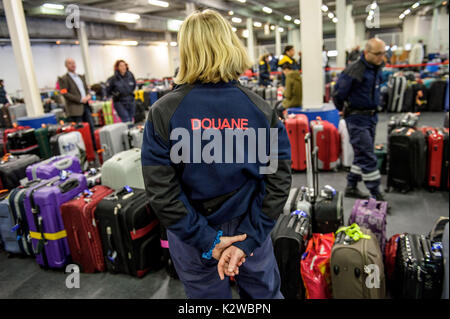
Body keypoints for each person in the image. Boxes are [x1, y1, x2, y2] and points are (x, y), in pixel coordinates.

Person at [141, 9, 291, 299]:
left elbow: (161, 190)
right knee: (265, 297)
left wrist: (209, 241)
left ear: (186, 50)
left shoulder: (164, 112)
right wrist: (248, 239)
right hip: (251, 225)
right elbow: (278, 180)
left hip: (190, 229)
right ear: (230, 44)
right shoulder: (260, 109)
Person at [332, 38, 387, 201]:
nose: (381, 57)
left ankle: (351, 186)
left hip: (371, 117)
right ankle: (376, 193)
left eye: (383, 53)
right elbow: (338, 94)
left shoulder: (377, 68)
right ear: (366, 53)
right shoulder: (354, 70)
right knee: (367, 154)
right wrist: (345, 110)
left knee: (361, 153)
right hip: (356, 118)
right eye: (378, 54)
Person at [58, 58, 96, 144]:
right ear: (66, 66)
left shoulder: (81, 77)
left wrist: (88, 95)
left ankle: (93, 147)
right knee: (80, 131)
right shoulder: (63, 79)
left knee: (91, 127)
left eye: (73, 63)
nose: (73, 65)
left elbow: (86, 89)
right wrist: (80, 99)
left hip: (86, 106)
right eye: (70, 63)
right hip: (75, 109)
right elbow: (64, 93)